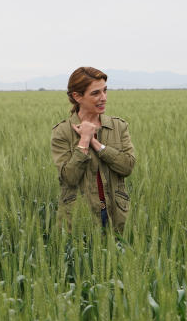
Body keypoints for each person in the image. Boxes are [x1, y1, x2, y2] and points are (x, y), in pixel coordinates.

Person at [51, 67, 136, 233]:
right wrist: (83, 141)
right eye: (95, 93)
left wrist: (97, 145)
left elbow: (127, 166)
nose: (103, 98)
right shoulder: (62, 132)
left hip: (116, 214)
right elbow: (69, 178)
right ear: (77, 96)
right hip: (78, 218)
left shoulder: (118, 126)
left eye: (105, 91)